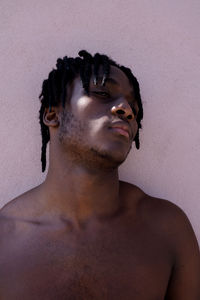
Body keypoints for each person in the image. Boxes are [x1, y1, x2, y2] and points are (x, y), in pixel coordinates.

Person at [0, 50, 199, 300]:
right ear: (52, 114)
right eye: (102, 93)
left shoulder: (166, 228)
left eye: (134, 110)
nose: (126, 110)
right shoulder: (5, 240)